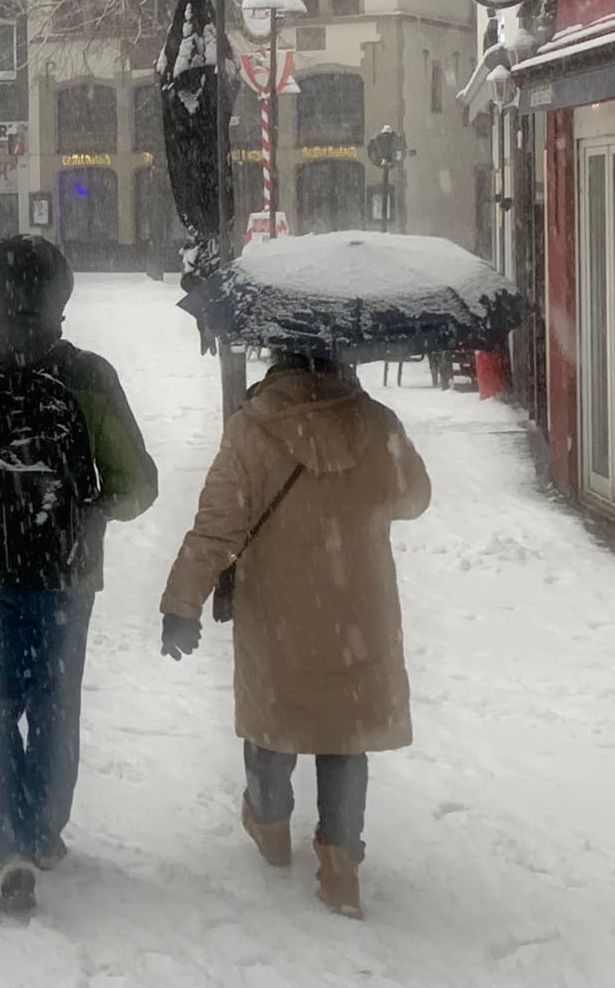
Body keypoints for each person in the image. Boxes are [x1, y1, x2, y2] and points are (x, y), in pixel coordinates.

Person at [0, 235, 159, 916]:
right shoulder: (89, 376)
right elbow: (141, 483)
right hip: (65, 576)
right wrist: (93, 511)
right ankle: (44, 831)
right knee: (54, 704)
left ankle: (8, 840)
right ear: (60, 296)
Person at [158, 352, 431, 921]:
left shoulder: (252, 428)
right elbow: (414, 499)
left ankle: (270, 820)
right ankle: (339, 861)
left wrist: (183, 601)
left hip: (277, 607)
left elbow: (217, 527)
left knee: (272, 717)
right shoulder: (376, 422)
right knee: (345, 730)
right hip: (358, 605)